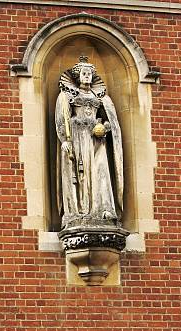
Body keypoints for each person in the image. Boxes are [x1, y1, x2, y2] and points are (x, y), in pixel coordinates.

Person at [55, 56, 123, 229]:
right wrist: (65, 140)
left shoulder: (101, 98)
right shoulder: (67, 95)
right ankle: (79, 211)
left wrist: (104, 127)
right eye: (84, 73)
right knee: (80, 174)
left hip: (96, 140)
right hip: (77, 138)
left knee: (100, 170)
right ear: (78, 77)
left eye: (90, 73)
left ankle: (103, 209)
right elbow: (61, 119)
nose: (87, 76)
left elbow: (110, 121)